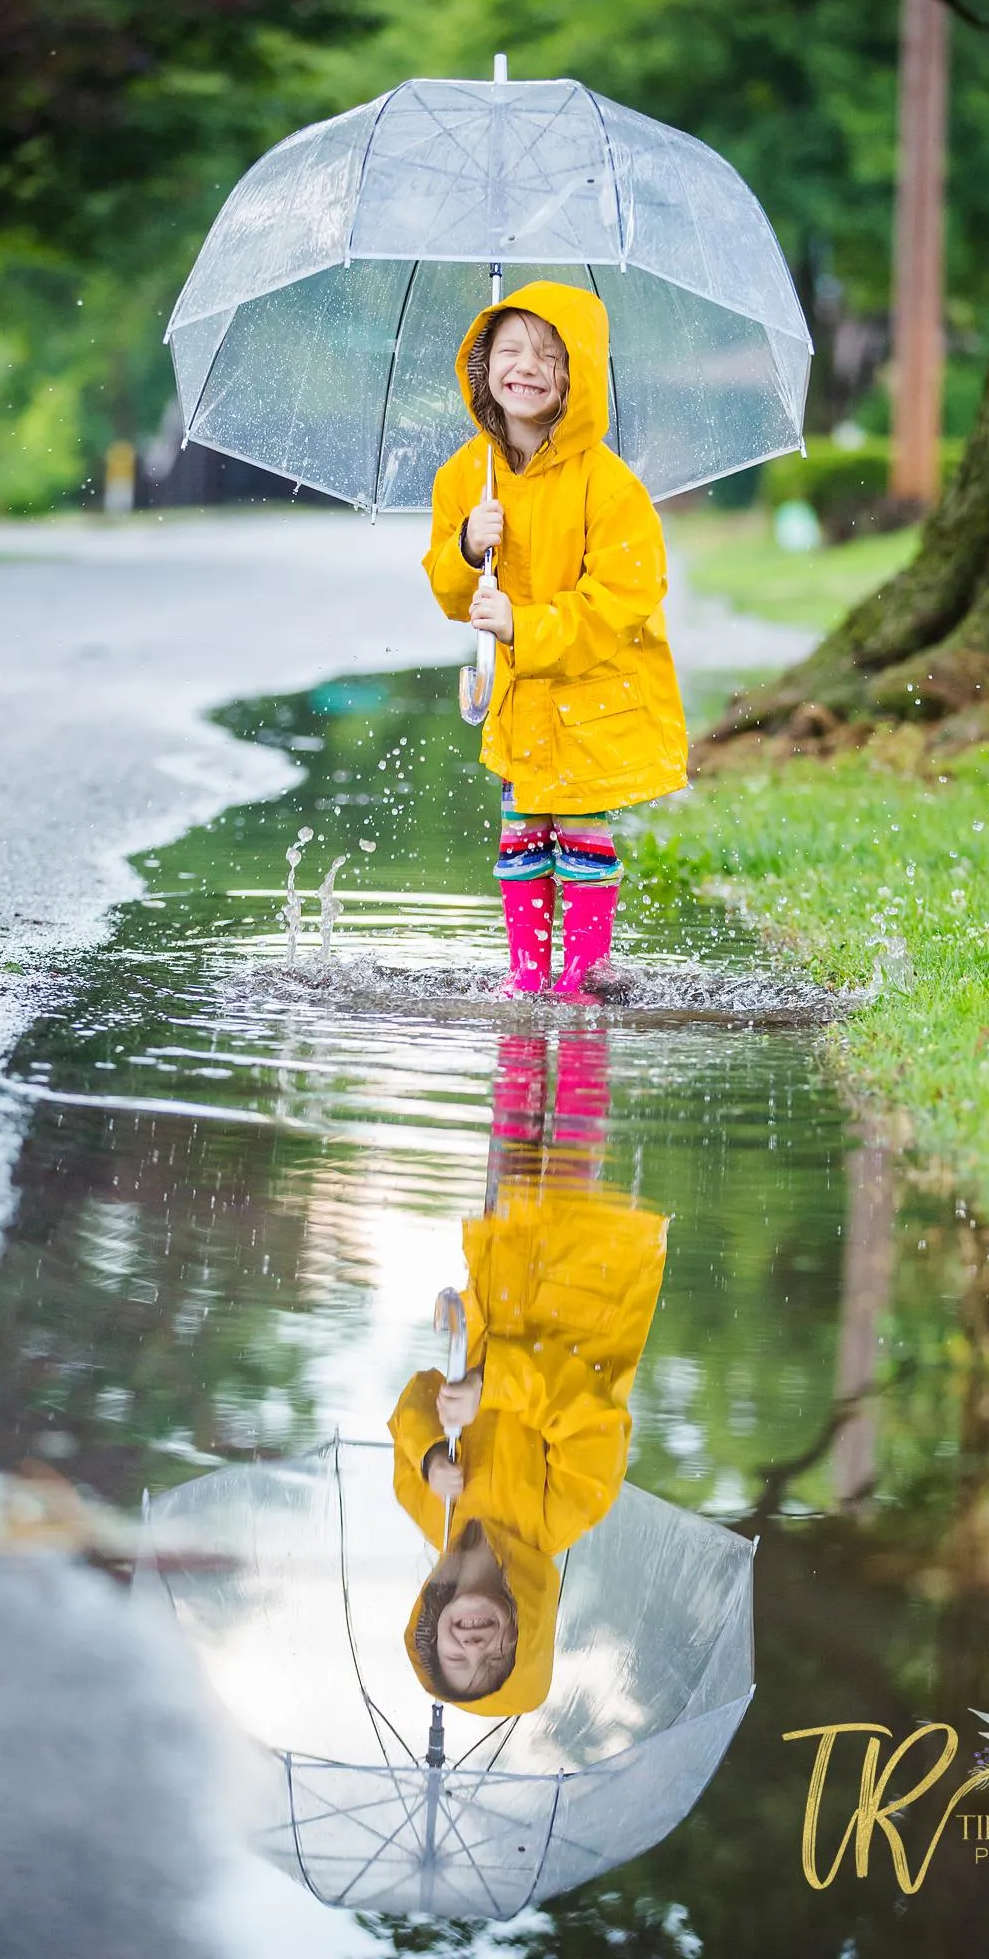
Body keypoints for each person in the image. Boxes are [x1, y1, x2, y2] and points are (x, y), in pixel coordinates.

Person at [424, 282, 688, 1002]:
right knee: (520, 833)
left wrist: (524, 625)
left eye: (549, 354)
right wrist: (462, 544)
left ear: (580, 374)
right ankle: (527, 977)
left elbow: (623, 601)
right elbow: (452, 595)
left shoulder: (609, 487)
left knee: (577, 831)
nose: (526, 367)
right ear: (481, 368)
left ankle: (580, 978)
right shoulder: (465, 477)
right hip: (519, 696)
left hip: (593, 694)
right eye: (508, 350)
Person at [389, 1031, 667, 1714]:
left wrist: (428, 1450)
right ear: (524, 1634)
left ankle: (521, 1007)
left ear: (434, 1628)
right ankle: (580, 1014)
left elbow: (412, 1402)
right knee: (572, 1128)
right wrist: (493, 1386)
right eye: (494, 1659)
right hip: (579, 1288)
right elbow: (591, 1414)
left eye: (456, 1657)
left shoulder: (430, 1505)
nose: (474, 1647)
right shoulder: (568, 1512)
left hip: (504, 1276)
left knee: (509, 1127)